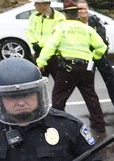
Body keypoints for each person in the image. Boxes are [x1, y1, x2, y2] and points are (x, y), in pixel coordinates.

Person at [36, 0, 108, 133]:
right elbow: (102, 46)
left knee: (59, 97)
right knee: (91, 96)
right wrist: (94, 57)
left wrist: (41, 62)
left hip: (68, 68)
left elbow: (50, 46)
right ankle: (100, 125)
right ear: (77, 14)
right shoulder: (87, 28)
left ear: (65, 14)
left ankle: (57, 126)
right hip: (86, 68)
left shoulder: (61, 27)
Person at [77, 0, 114, 113]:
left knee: (111, 80)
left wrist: (96, 50)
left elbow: (101, 37)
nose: (83, 11)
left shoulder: (94, 21)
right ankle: (95, 111)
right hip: (85, 59)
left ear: (88, 8)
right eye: (80, 9)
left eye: (84, 8)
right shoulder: (75, 25)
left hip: (99, 56)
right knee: (88, 86)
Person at [26, 0, 66, 78]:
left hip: (54, 55)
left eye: (36, 3)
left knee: (59, 81)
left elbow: (60, 36)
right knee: (39, 80)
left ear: (44, 4)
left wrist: (46, 47)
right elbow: (29, 31)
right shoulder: (34, 16)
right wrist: (34, 43)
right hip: (39, 52)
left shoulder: (59, 17)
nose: (34, 5)